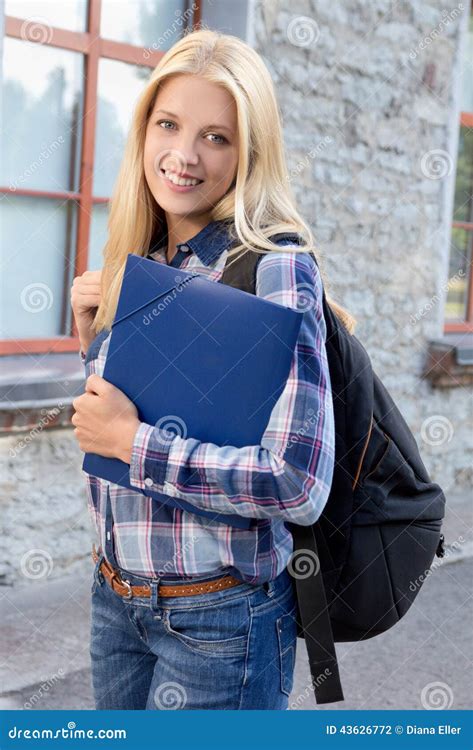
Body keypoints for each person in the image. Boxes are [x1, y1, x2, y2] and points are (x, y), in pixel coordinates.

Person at [70, 28, 341, 711]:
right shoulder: (146, 253)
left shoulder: (273, 266)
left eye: (216, 137)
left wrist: (134, 445)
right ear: (144, 130)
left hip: (220, 619)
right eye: (169, 124)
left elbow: (298, 482)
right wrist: (90, 341)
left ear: (251, 151)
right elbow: (141, 412)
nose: (184, 156)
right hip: (116, 601)